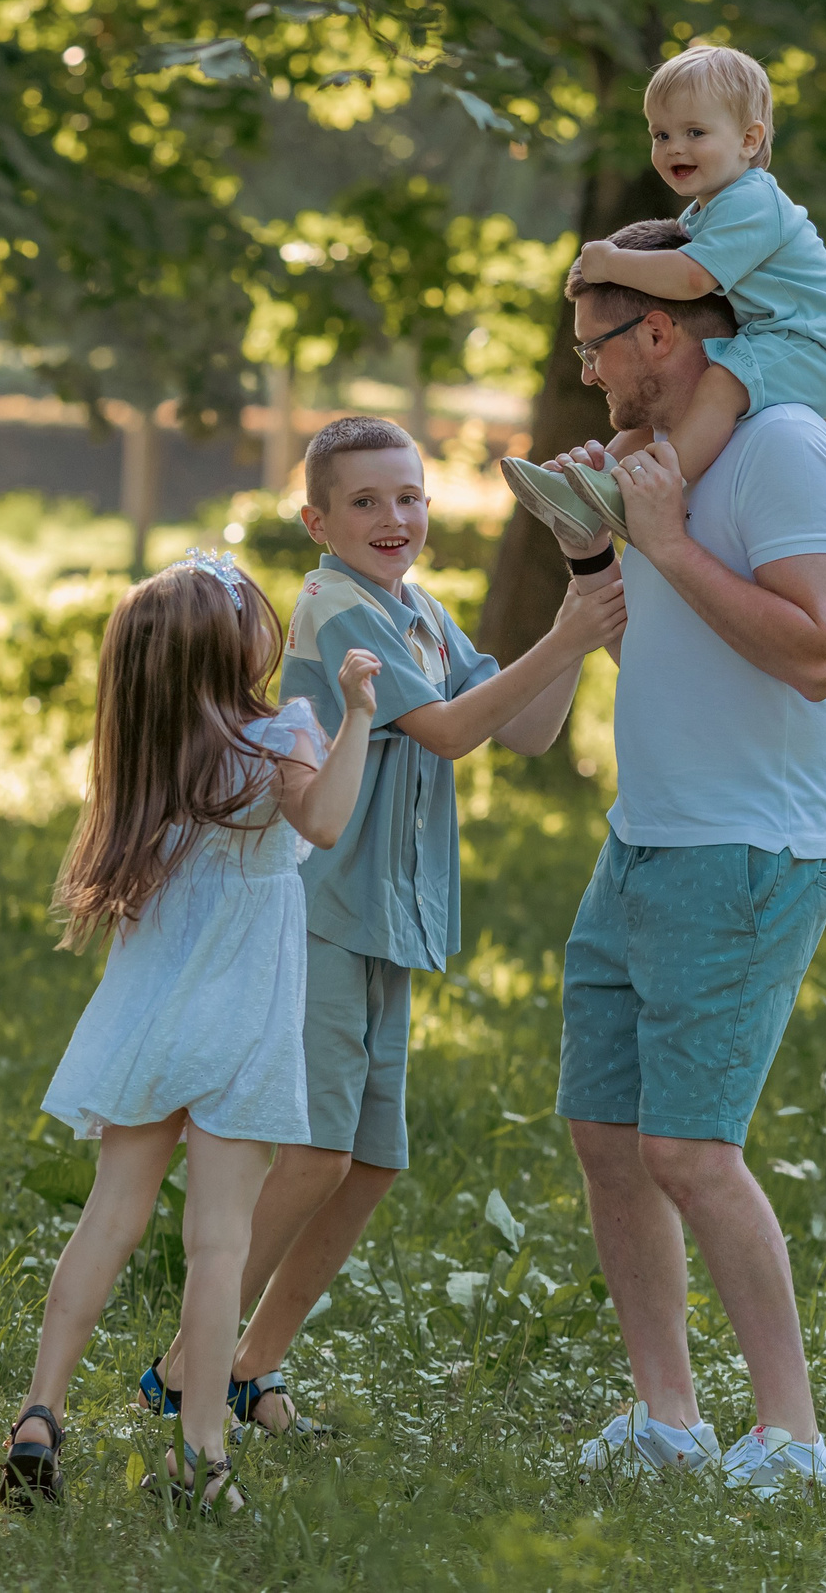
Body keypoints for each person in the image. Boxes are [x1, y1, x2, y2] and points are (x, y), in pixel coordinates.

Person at [149, 416, 626, 1437]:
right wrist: (565, 634)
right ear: (317, 520)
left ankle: (249, 1367)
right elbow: (450, 734)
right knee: (317, 1155)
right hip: (324, 912)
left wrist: (578, 618)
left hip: (392, 921)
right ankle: (187, 1363)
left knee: (372, 1162)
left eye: (408, 496)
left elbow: (529, 730)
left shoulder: (420, 614)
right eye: (365, 501)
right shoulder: (333, 608)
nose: (392, 516)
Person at [547, 217, 826, 1491]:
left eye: (592, 348)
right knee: (606, 1134)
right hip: (643, 844)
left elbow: (813, 652)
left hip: (745, 851)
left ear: (660, 333)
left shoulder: (783, 448)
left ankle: (793, 1439)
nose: (585, 373)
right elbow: (667, 654)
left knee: (690, 1149)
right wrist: (596, 544)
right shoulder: (662, 462)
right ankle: (667, 1419)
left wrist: (666, 542)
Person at [0, 551, 381, 1514]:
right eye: (251, 609)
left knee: (109, 1218)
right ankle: (202, 1454)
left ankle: (39, 1412)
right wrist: (360, 716)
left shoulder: (146, 760)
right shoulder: (279, 734)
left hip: (151, 1019)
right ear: (231, 644)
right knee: (219, 1245)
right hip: (244, 1022)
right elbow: (328, 822)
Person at [572, 42, 826, 474]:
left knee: (720, 383)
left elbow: (692, 278)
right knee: (674, 391)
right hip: (772, 337)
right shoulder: (707, 210)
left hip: (815, 347)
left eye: (695, 132)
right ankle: (596, 477)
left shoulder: (751, 202)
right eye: (661, 135)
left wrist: (610, 263)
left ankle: (665, 481)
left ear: (748, 140)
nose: (674, 148)